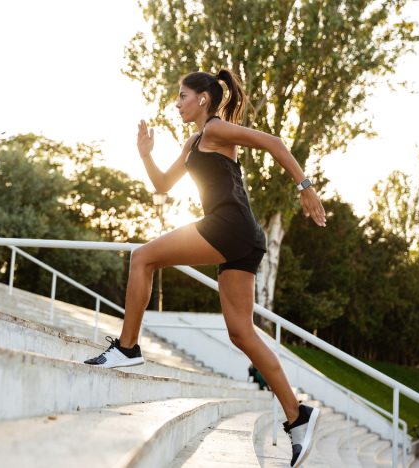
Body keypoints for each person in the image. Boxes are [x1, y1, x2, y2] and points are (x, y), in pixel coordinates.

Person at [83, 69, 325, 466]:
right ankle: (298, 415)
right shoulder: (196, 140)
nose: (177, 103)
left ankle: (127, 348)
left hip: (229, 227)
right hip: (242, 238)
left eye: (182, 96)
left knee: (142, 256)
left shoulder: (216, 129)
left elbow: (274, 143)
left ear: (203, 100)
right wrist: (145, 155)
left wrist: (305, 188)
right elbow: (163, 186)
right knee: (241, 333)